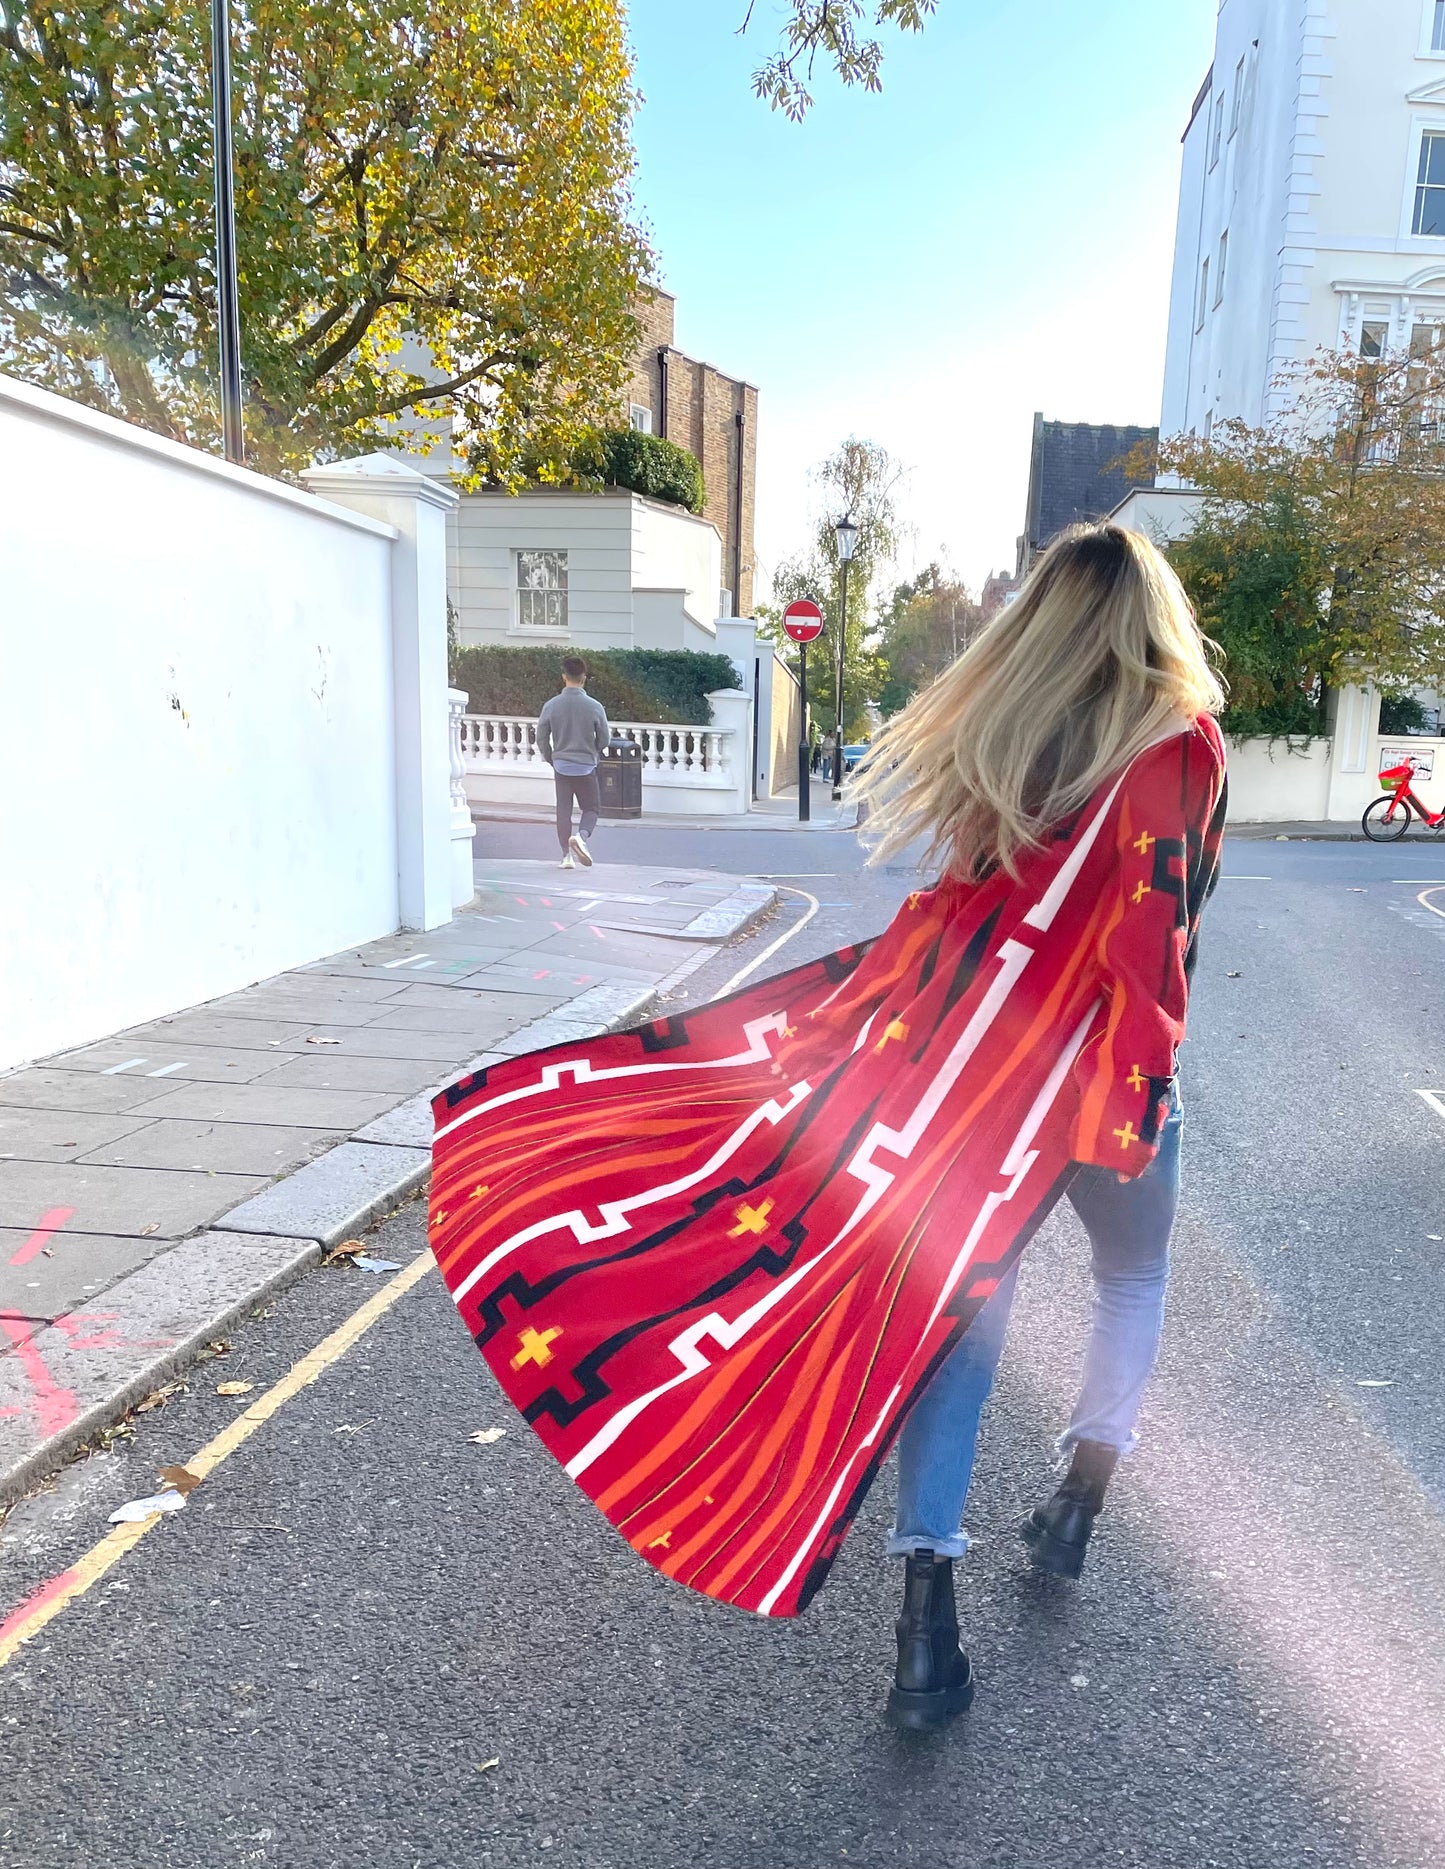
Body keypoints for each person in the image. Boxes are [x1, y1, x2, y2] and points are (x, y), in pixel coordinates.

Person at [428, 524, 1226, 1732]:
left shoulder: (1004, 725)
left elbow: (959, 903)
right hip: (1096, 1075)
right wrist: (1133, 1094)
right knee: (1134, 1271)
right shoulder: (1179, 741)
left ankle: (926, 1618)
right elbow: (1152, 938)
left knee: (959, 1317)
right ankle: (1079, 1494)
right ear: (1153, 616)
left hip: (965, 1080)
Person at [537, 657, 610, 869]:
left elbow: (541, 737)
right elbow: (604, 738)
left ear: (563, 677)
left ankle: (565, 856)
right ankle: (582, 837)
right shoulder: (594, 706)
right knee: (591, 808)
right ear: (584, 678)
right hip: (586, 766)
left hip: (561, 766)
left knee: (563, 810)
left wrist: (551, 757)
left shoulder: (551, 705)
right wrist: (593, 751)